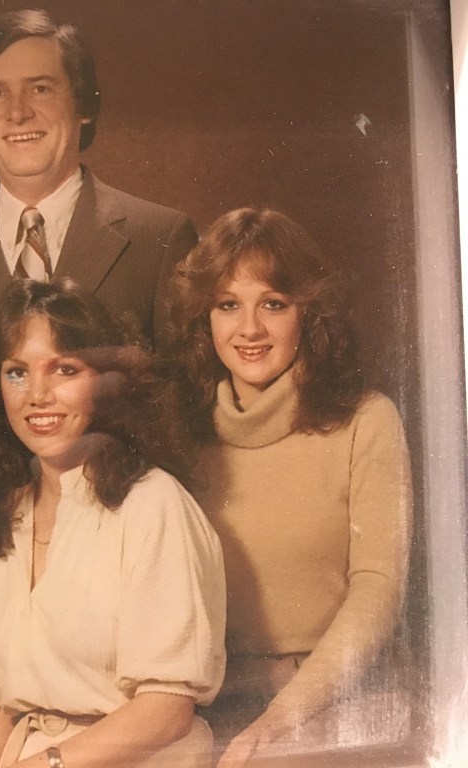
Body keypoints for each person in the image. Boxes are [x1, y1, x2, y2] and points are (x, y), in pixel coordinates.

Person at [169, 207, 412, 765]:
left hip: (334, 700)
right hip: (208, 701)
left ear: (310, 312)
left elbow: (378, 589)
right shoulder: (181, 428)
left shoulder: (366, 420)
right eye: (227, 305)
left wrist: (279, 721)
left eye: (273, 304)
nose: (249, 329)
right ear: (204, 319)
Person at [0, 279, 226, 768]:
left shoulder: (153, 503)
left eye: (65, 369)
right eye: (16, 373)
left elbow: (167, 710)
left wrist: (45, 765)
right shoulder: (10, 508)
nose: (37, 395)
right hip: (29, 753)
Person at [0, 9, 197, 367]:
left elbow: (180, 390)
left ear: (83, 104)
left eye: (40, 89)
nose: (17, 113)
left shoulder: (159, 239)